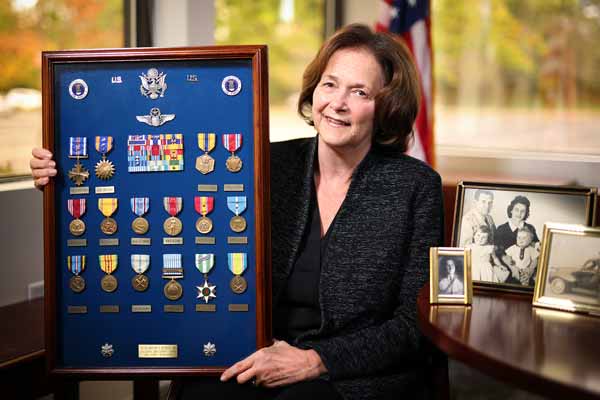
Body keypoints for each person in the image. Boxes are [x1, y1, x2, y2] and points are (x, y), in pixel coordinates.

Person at [31, 24, 444, 400]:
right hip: (252, 353)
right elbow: (154, 184)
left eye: (359, 92)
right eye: (329, 84)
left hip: (350, 376)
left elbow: (413, 325)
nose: (337, 103)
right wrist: (66, 173)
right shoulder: (263, 164)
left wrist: (315, 360)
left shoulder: (414, 187)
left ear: (386, 106)